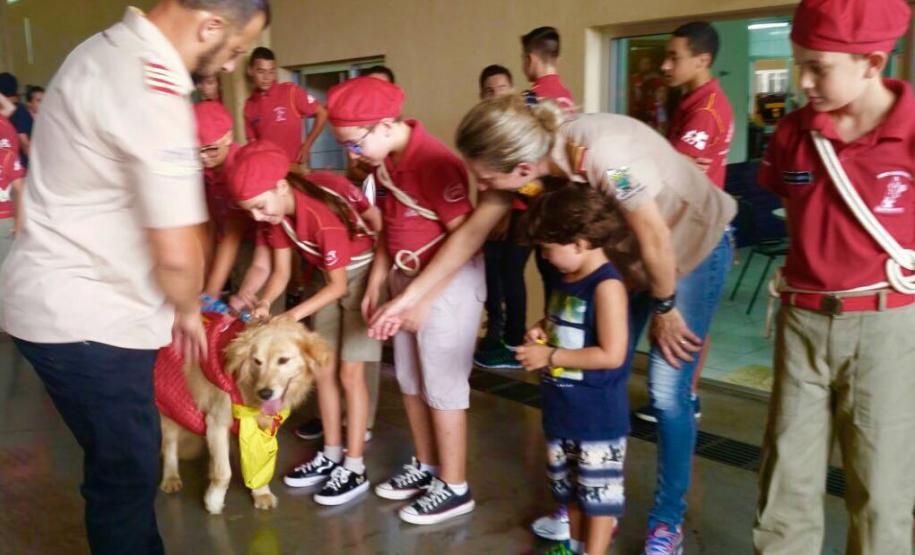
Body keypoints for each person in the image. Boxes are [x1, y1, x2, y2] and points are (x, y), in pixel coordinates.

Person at [368, 95, 736, 554]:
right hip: (630, 259)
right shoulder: (524, 172)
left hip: (690, 248)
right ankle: (591, 506)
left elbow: (654, 232)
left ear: (522, 168)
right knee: (596, 378)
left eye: (487, 179)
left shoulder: (608, 160)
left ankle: (667, 521)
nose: (482, 186)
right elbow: (471, 233)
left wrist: (665, 307)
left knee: (666, 390)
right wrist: (407, 299)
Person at [0, 2, 268, 553]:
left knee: (119, 465)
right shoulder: (154, 89)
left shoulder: (98, 51)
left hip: (53, 299)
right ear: (211, 26)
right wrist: (189, 308)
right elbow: (177, 249)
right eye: (236, 52)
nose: (229, 66)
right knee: (125, 478)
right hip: (91, 317)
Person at [752, 1, 915, 554]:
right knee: (784, 488)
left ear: (872, 63)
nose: (802, 82)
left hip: (886, 327)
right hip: (802, 322)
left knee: (881, 494)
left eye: (818, 68)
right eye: (798, 62)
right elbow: (794, 209)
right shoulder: (793, 133)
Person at [328, 76, 484, 525]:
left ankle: (454, 486)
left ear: (383, 125)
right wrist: (377, 282)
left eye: (354, 144)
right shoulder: (385, 163)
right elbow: (390, 231)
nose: (352, 156)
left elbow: (464, 241)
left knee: (443, 387)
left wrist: (423, 299)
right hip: (405, 279)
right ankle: (429, 466)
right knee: (411, 380)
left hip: (446, 286)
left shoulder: (435, 163)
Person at [227, 140, 383, 506]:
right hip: (328, 281)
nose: (258, 217)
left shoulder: (319, 216)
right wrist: (265, 302)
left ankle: (354, 466)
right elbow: (280, 273)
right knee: (321, 369)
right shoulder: (277, 217)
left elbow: (339, 286)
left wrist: (291, 316)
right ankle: (330, 453)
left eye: (260, 207)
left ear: (281, 187)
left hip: (359, 279)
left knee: (350, 374)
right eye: (251, 211)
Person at [515, 182, 630, 555]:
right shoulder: (567, 279)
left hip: (597, 419)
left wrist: (550, 357)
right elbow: (566, 324)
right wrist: (541, 329)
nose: (545, 257)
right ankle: (576, 547)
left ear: (579, 244)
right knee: (574, 493)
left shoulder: (607, 287)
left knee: (598, 498)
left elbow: (611, 354)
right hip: (563, 412)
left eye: (548, 249)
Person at [635, 20, 734, 424]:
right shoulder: (689, 102)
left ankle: (683, 397)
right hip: (687, 229)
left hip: (697, 235)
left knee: (684, 330)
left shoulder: (706, 111)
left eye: (674, 58)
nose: (665, 66)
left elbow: (667, 177)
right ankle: (682, 396)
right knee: (684, 325)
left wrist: (656, 164)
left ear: (702, 59)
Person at [473, 64, 533, 370]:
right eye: (489, 91)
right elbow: (486, 183)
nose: (496, 95)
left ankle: (514, 341)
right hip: (495, 214)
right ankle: (496, 333)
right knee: (492, 275)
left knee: (511, 275)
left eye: (502, 89)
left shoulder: (522, 128)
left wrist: (505, 215)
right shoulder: (484, 130)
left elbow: (525, 182)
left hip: (521, 216)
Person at [244, 46, 328, 171]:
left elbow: (322, 113)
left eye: (271, 71)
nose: (267, 77)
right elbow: (253, 145)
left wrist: (307, 145)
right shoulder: (249, 105)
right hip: (267, 171)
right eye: (261, 71)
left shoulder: (291, 92)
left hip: (292, 168)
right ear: (250, 71)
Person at [521, 26, 575, 112]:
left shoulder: (530, 99)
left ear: (531, 59)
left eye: (523, 59)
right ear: (557, 59)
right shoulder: (567, 96)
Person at [0, 73, 30, 168]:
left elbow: (24, 143)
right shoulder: (20, 110)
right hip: (16, 165)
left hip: (15, 165)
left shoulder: (17, 111)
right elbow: (25, 143)